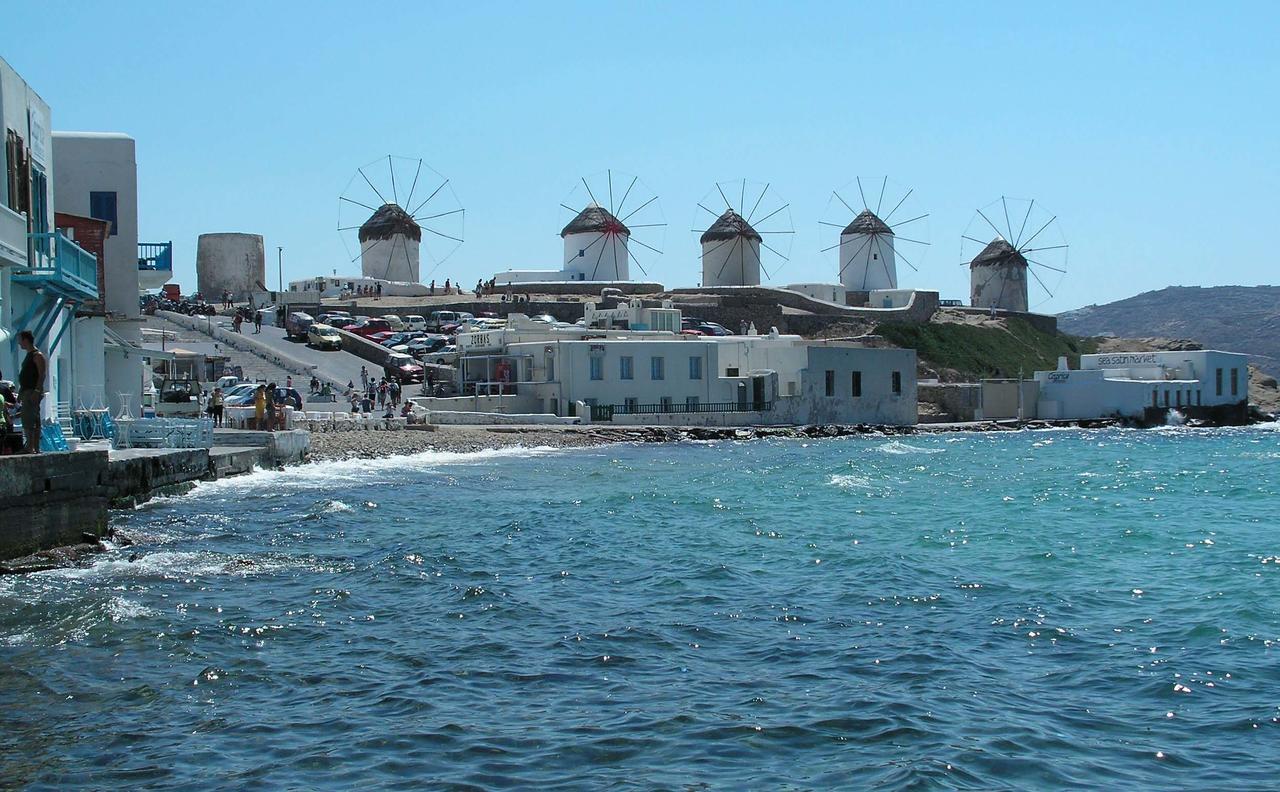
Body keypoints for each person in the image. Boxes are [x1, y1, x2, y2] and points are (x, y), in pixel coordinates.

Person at [16, 330, 46, 454]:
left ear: (26, 340)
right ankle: (33, 447)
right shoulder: (29, 355)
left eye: (20, 340)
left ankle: (31, 447)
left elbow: (41, 375)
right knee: (32, 419)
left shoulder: (37, 355)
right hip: (26, 391)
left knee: (29, 419)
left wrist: (37, 391)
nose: (19, 343)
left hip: (32, 391)